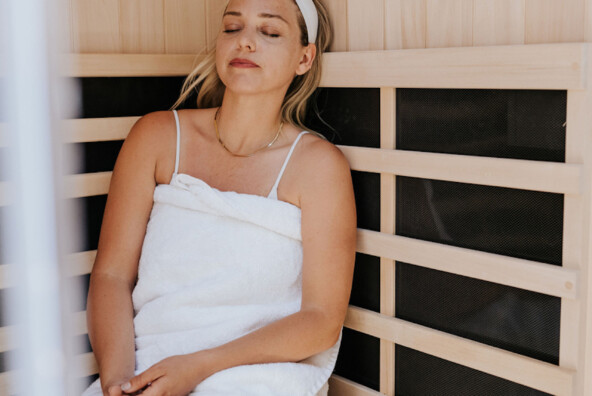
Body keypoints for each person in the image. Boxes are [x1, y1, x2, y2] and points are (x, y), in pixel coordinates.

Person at [81, 0, 356, 394]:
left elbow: (321, 320)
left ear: (304, 58)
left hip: (253, 371)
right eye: (232, 28)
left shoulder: (318, 167)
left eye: (270, 32)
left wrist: (199, 367)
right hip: (148, 361)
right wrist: (120, 381)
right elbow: (111, 275)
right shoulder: (157, 137)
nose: (244, 42)